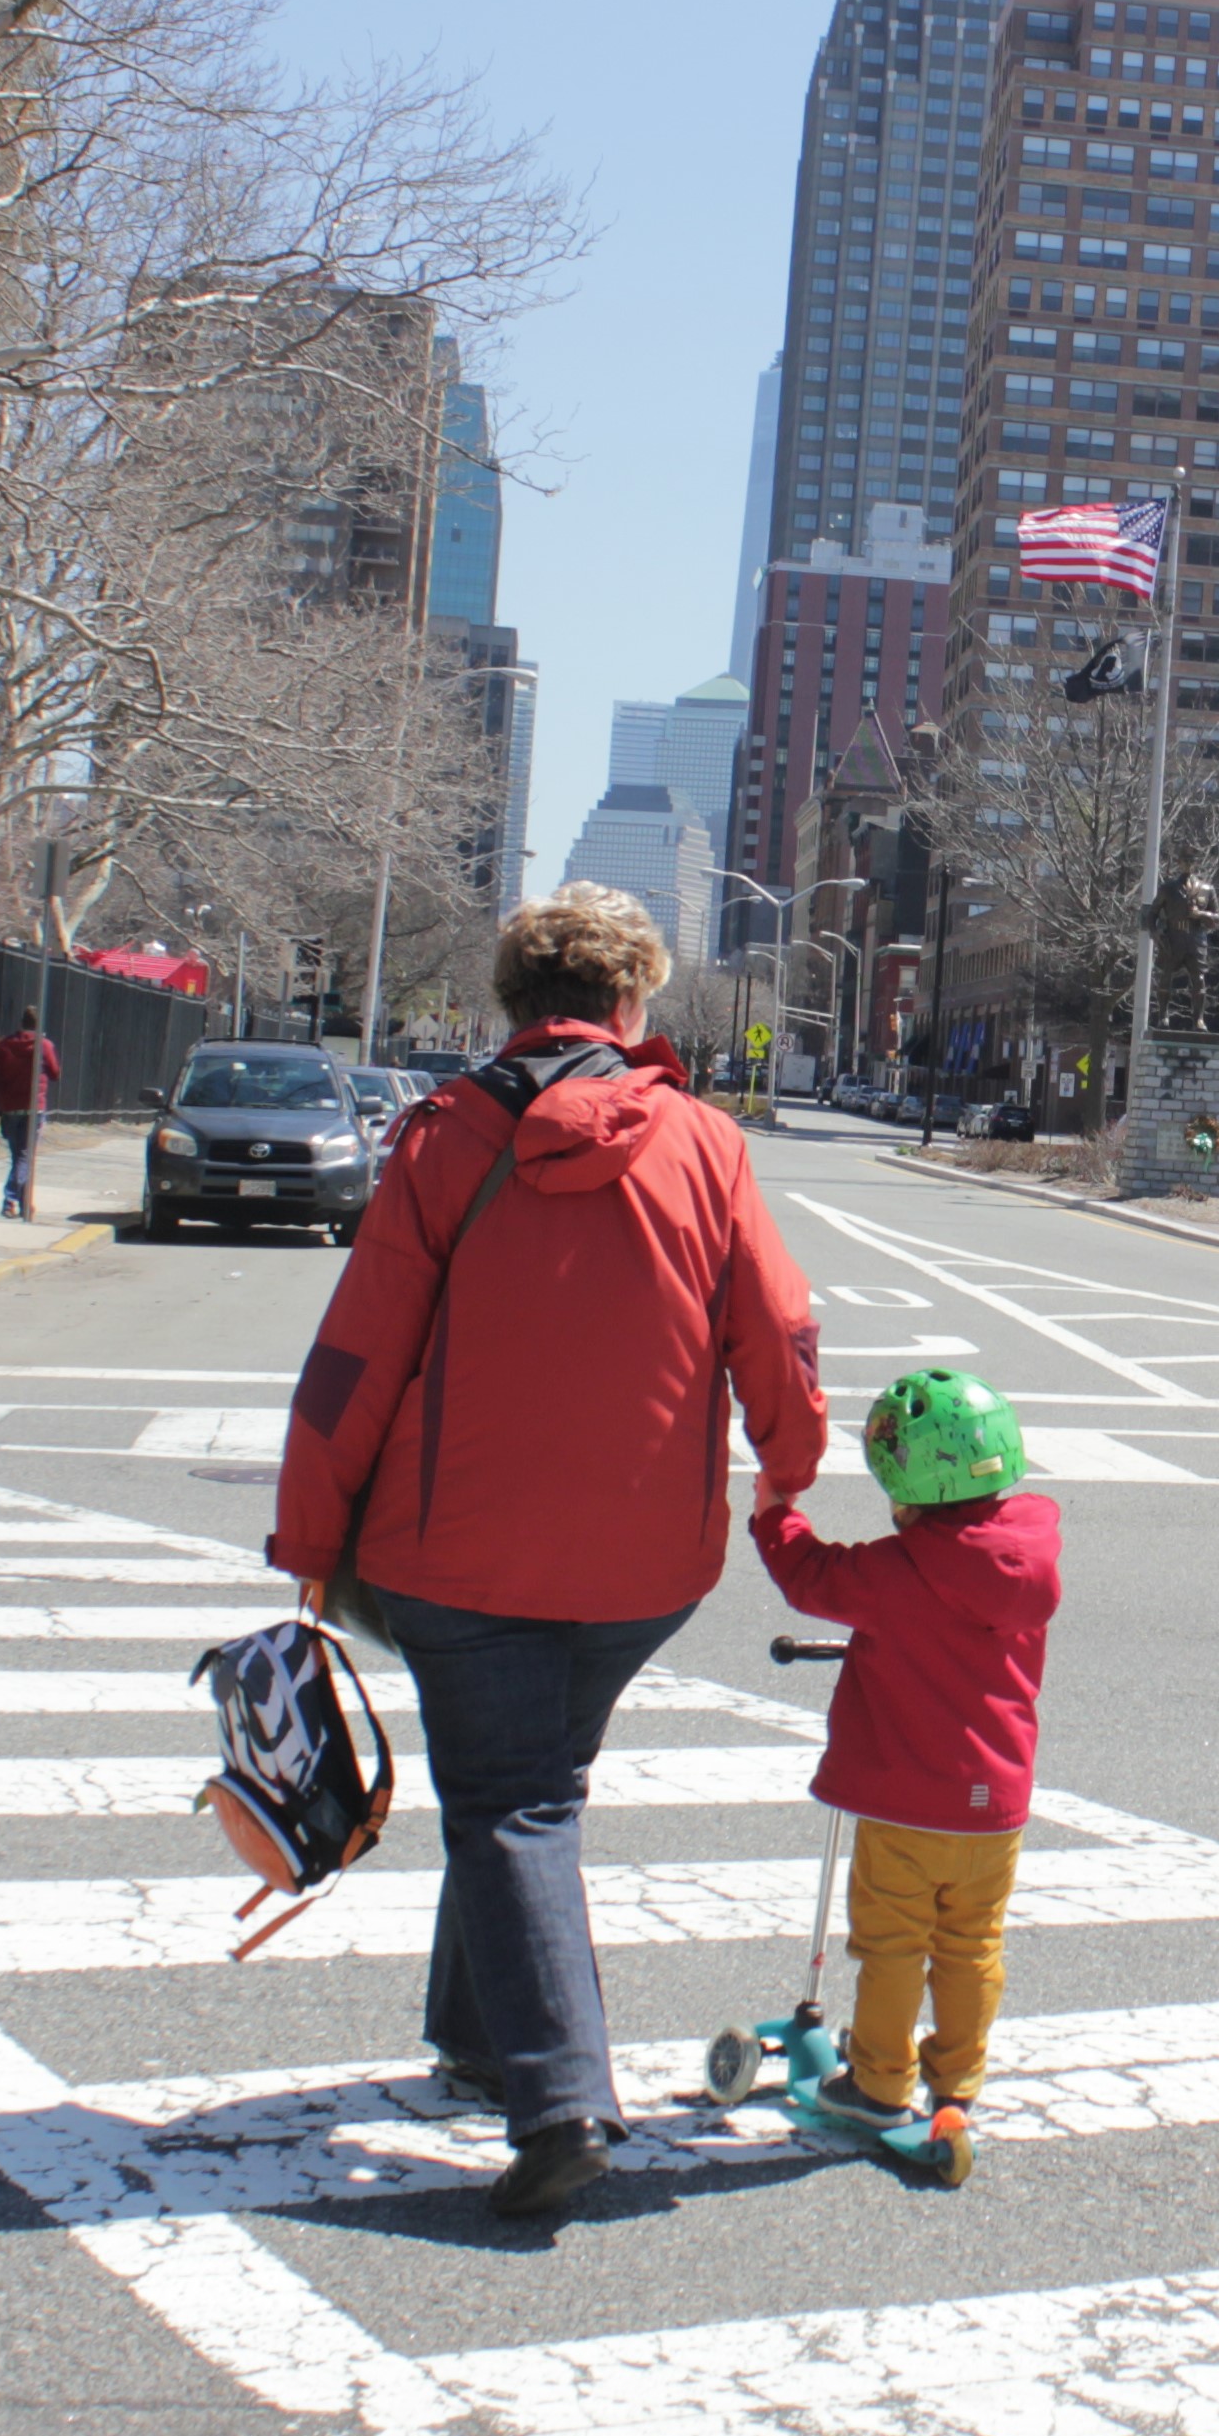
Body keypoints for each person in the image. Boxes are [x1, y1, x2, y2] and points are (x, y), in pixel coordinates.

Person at [269, 882, 830, 2222]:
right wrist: (784, 1476)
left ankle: (561, 2096)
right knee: (526, 1778)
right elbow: (778, 1327)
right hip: (645, 1562)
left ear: (513, 1002)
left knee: (512, 1797)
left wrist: (307, 1534)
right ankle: (473, 2036)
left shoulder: (444, 1138)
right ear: (630, 1004)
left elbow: (359, 1354)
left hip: (453, 1552)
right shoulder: (702, 1142)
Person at [753, 1369, 1060, 2146]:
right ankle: (955, 2079)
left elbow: (811, 1576)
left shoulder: (899, 1571)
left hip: (907, 1805)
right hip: (997, 1806)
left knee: (892, 1943)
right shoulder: (1028, 1557)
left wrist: (774, 1516)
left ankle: (880, 2081)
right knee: (971, 1944)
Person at [0, 1004, 62, 1220]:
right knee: (24, 1157)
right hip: (33, 1107)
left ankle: (25, 1203)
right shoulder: (44, 1045)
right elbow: (55, 1073)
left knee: (19, 1156)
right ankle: (10, 1199)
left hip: (9, 1108)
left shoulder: (4, 1046)